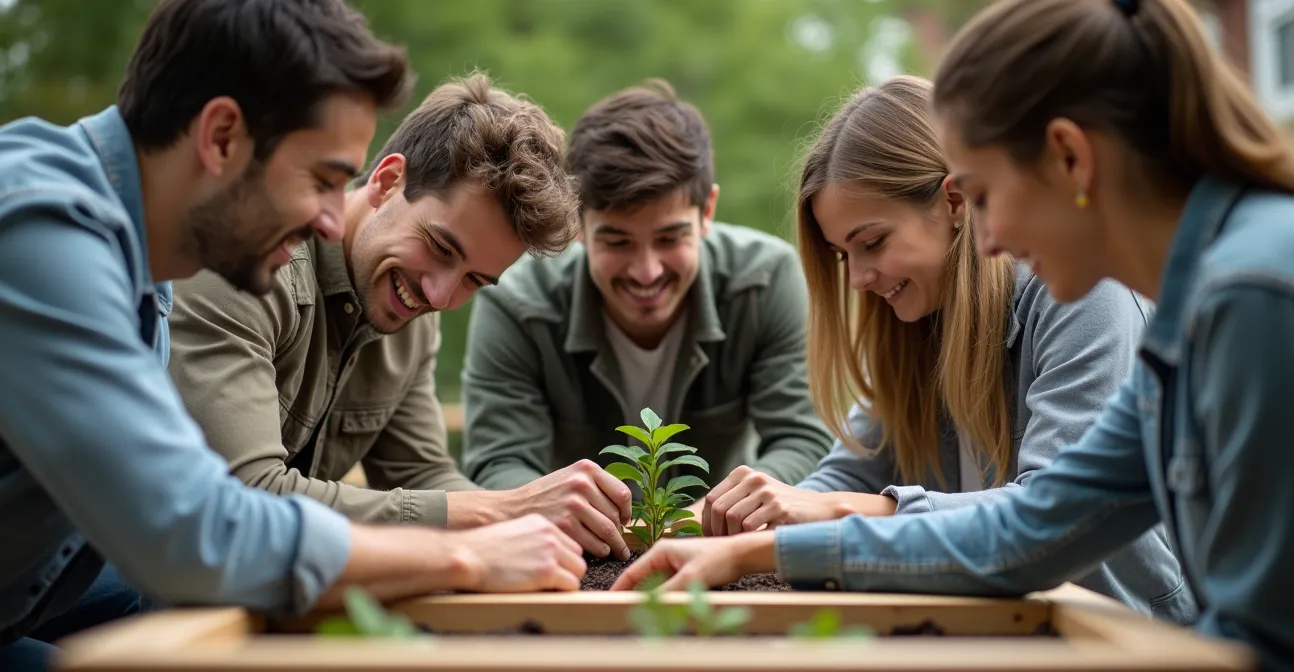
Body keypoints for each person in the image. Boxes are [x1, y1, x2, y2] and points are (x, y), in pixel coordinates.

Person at [612, 0, 1294, 669]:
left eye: (981, 196)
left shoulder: (1254, 290)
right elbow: (1038, 527)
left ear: (1069, 158)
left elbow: (1266, 635)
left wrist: (807, 528)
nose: (989, 236)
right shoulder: (1200, 304)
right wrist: (749, 552)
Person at [0, 2, 583, 669]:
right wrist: (464, 551)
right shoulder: (42, 228)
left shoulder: (145, 260)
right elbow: (197, 525)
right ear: (221, 137)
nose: (335, 221)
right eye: (325, 180)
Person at [697, 75, 1196, 624]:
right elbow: (845, 477)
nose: (859, 278)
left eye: (872, 243)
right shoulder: (919, 322)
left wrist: (839, 512)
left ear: (954, 200)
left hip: (1118, 631)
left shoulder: (1083, 295)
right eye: (844, 256)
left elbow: (1050, 510)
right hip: (997, 625)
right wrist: (719, 520)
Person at [167, 72, 637, 562]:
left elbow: (422, 476)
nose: (439, 292)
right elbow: (248, 497)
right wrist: (501, 511)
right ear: (388, 181)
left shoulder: (411, 310)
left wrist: (542, 524)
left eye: (475, 281)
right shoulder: (249, 263)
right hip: (127, 583)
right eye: (439, 246)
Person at [460, 80, 832, 503]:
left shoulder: (766, 281)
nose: (646, 271)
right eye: (617, 242)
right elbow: (497, 461)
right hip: (573, 549)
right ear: (577, 223)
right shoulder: (517, 301)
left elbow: (804, 442)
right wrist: (568, 511)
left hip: (722, 543)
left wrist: (712, 517)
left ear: (706, 211)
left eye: (670, 239)